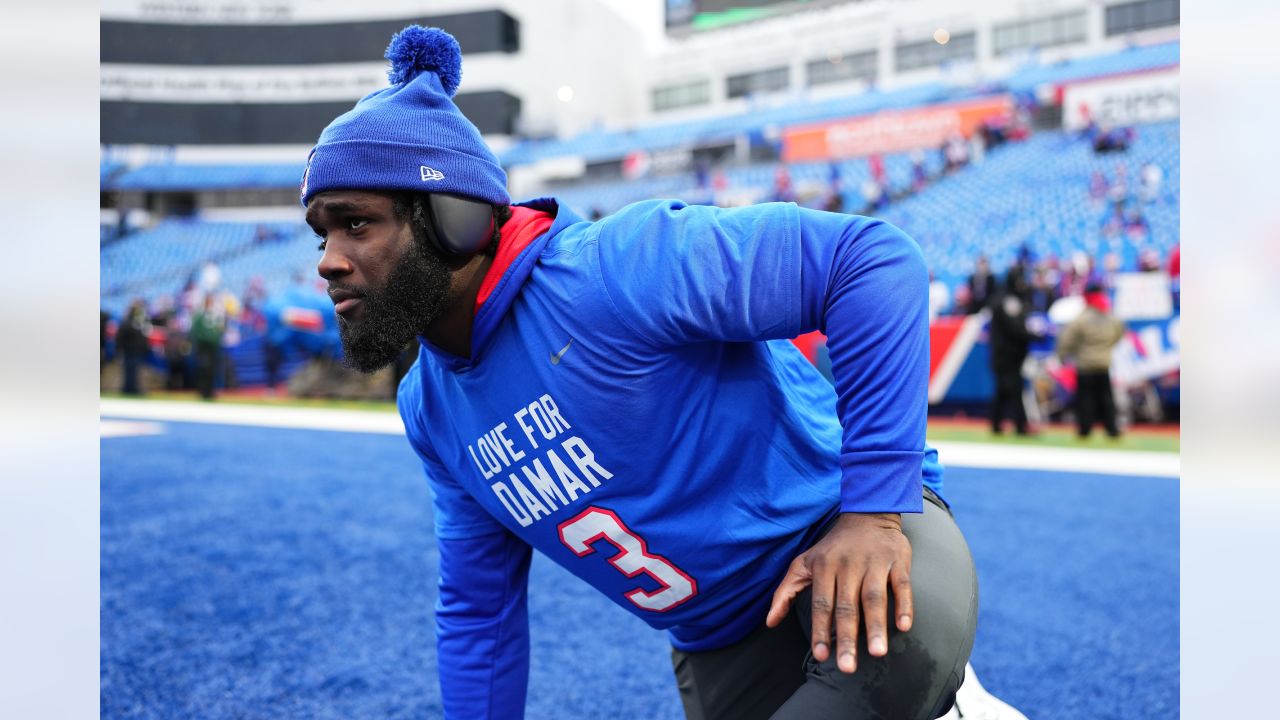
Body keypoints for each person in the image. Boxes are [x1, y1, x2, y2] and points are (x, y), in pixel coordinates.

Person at [302, 26, 1026, 720]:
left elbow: (872, 263)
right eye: (322, 232)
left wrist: (871, 510)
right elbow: (478, 610)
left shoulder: (616, 268)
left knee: (885, 672)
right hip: (719, 637)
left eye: (356, 224)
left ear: (451, 217)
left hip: (851, 530)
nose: (329, 259)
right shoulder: (430, 405)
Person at [1056, 285, 1126, 438]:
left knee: (1085, 399)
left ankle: (1085, 429)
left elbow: (1066, 340)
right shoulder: (1110, 317)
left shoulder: (1081, 318)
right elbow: (1119, 333)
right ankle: (1111, 429)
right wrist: (1105, 349)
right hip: (1103, 363)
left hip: (1085, 364)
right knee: (1106, 399)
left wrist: (1063, 356)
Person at [987, 267, 1039, 435]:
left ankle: (996, 425)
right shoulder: (1008, 301)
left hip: (1004, 354)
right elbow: (1014, 328)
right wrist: (1035, 336)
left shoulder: (1004, 299)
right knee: (1014, 389)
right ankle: (1020, 426)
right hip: (1007, 356)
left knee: (1003, 391)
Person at [190, 295, 225, 400]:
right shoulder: (200, 316)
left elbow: (219, 329)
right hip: (203, 347)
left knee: (212, 369)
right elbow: (196, 331)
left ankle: (209, 391)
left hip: (213, 347)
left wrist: (216, 337)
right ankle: (203, 391)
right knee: (204, 369)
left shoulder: (214, 315)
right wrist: (206, 339)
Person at [117, 299, 151, 395]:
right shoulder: (127, 321)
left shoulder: (141, 321)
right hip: (129, 351)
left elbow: (144, 336)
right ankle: (128, 388)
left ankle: (134, 388)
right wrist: (120, 350)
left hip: (138, 351)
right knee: (129, 371)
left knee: (136, 371)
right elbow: (120, 337)